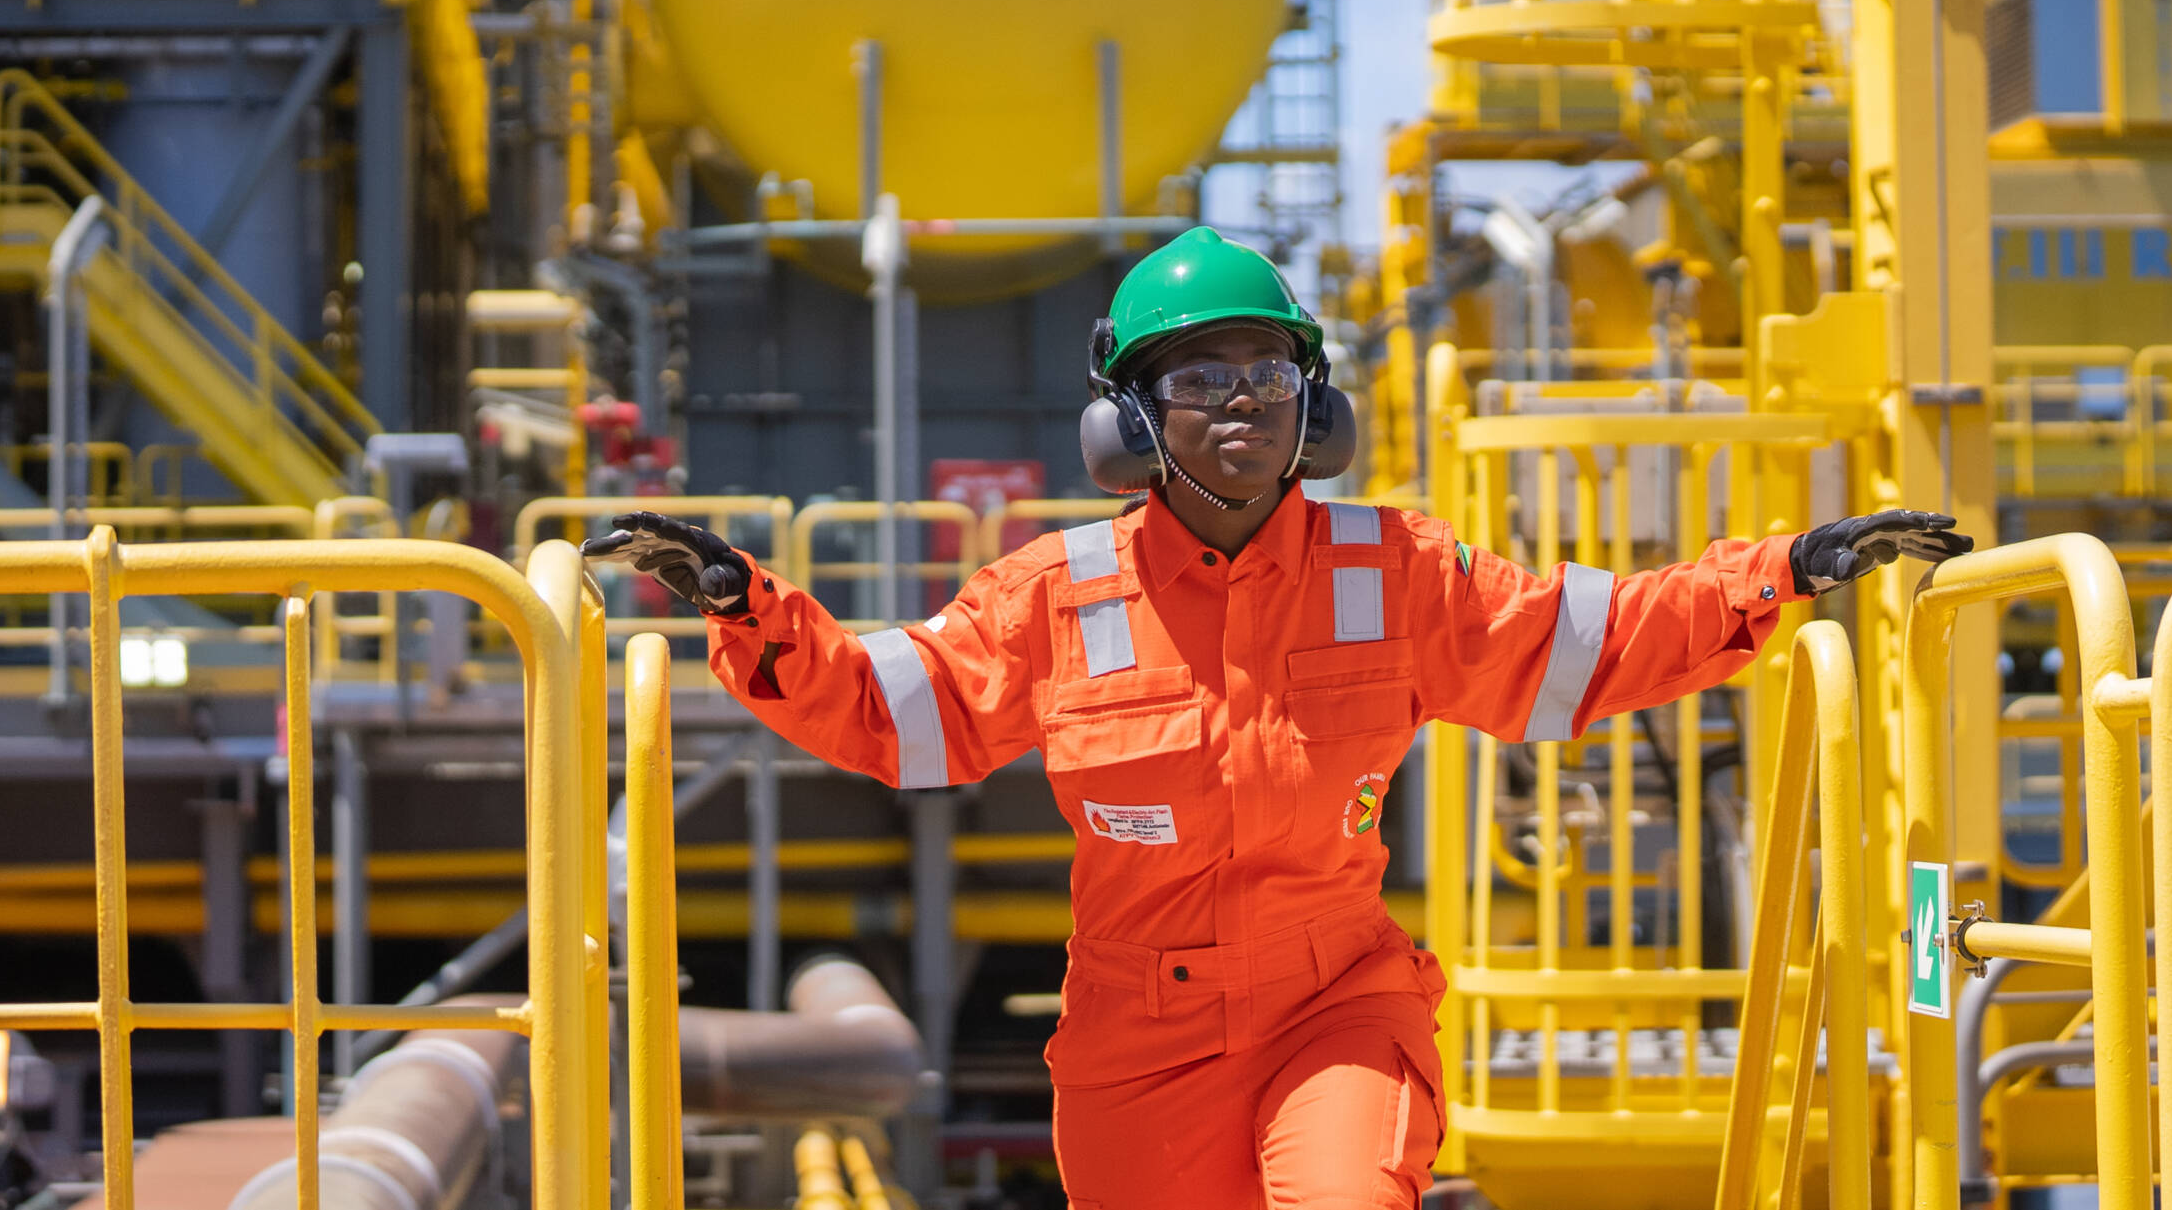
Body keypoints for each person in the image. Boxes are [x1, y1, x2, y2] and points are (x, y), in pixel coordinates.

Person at [586, 227, 1968, 1210]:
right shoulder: (1057, 593)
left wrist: (1782, 570)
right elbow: (904, 710)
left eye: (1264, 373)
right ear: (1131, 418)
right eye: (1197, 381)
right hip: (1138, 1036)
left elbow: (1583, 642)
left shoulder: (1397, 568)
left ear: (1315, 400)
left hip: (1337, 1002)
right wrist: (741, 598)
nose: (1238, 405)